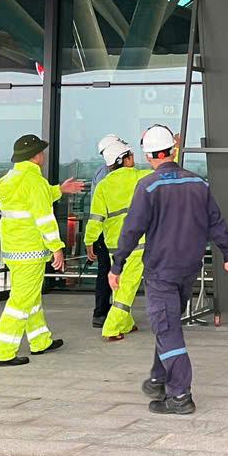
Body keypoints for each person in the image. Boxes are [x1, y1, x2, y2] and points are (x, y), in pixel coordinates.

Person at [111, 124, 228, 415]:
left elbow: (132, 229)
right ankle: (159, 379)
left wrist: (117, 264)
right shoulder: (198, 183)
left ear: (148, 156)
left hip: (160, 270)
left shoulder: (148, 186)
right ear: (172, 150)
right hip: (188, 268)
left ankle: (180, 395)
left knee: (167, 328)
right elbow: (216, 221)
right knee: (168, 323)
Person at [0, 134, 85, 367]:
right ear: (36, 156)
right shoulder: (35, 182)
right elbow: (44, 219)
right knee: (21, 300)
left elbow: (33, 200)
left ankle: (40, 340)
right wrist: (57, 248)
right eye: (41, 151)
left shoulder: (14, 177)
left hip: (14, 249)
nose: (43, 155)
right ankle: (3, 351)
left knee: (30, 296)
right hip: (30, 250)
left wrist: (60, 189)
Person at [85, 136, 146, 341]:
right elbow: (167, 172)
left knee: (120, 283)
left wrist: (89, 242)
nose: (133, 158)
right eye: (130, 155)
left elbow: (95, 219)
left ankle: (126, 322)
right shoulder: (141, 177)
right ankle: (111, 327)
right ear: (123, 159)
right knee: (128, 285)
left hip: (114, 245)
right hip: (137, 243)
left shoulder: (102, 186)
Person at [90, 134, 121, 327]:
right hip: (110, 232)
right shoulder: (108, 176)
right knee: (109, 271)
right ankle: (103, 312)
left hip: (104, 231)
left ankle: (103, 311)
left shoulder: (100, 173)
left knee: (106, 270)